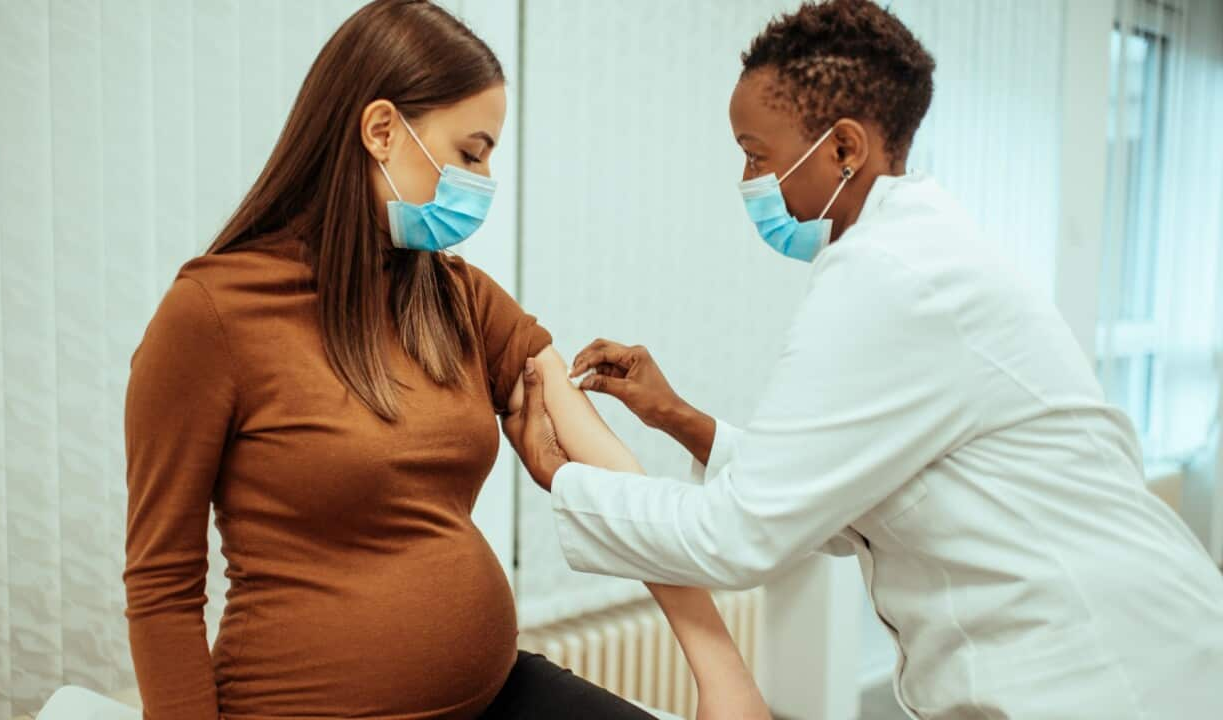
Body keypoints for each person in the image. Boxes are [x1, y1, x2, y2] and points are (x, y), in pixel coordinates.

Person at [502, 1, 1223, 718]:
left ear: (844, 148)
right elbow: (842, 504)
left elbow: (738, 534)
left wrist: (560, 477)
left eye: (757, 155)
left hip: (1104, 674)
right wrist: (681, 419)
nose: (747, 181)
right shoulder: (914, 258)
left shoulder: (891, 278)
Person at [122, 1, 768, 719]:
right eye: (471, 152)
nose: (484, 179)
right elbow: (163, 585)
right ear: (381, 130)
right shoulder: (212, 314)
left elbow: (606, 468)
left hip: (494, 693)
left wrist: (722, 672)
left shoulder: (454, 296)